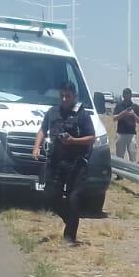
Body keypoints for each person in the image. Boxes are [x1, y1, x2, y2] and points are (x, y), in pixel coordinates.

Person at [32, 81, 95, 244]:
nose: (65, 99)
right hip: (56, 162)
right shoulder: (52, 112)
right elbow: (42, 130)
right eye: (62, 96)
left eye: (68, 96)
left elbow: (91, 138)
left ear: (74, 96)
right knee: (51, 196)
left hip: (76, 163)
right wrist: (36, 147)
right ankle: (70, 219)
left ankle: (70, 237)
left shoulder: (82, 115)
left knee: (74, 199)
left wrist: (73, 140)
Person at [113, 88, 139, 163]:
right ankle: (119, 174)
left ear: (131, 95)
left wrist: (133, 114)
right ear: (123, 95)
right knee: (119, 156)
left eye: (128, 94)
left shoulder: (135, 106)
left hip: (131, 134)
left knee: (132, 155)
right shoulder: (119, 106)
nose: (127, 96)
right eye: (125, 94)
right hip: (120, 134)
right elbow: (114, 118)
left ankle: (133, 173)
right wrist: (124, 113)